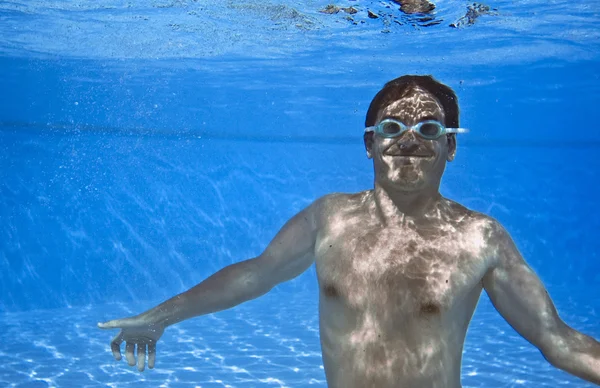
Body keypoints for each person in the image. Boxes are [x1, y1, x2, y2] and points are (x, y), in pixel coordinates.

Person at [98, 75, 600, 387]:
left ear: (451, 148)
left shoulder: (479, 238)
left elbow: (557, 341)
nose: (409, 140)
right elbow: (255, 274)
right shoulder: (329, 218)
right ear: (368, 143)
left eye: (429, 129)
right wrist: (161, 317)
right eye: (391, 128)